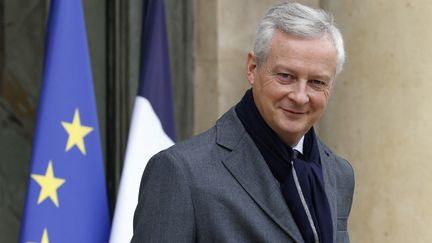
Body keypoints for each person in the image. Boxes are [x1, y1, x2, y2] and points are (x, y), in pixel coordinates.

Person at [131, 2, 354, 243]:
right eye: (285, 76)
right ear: (252, 68)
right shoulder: (182, 172)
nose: (300, 96)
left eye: (317, 82)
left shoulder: (339, 174)